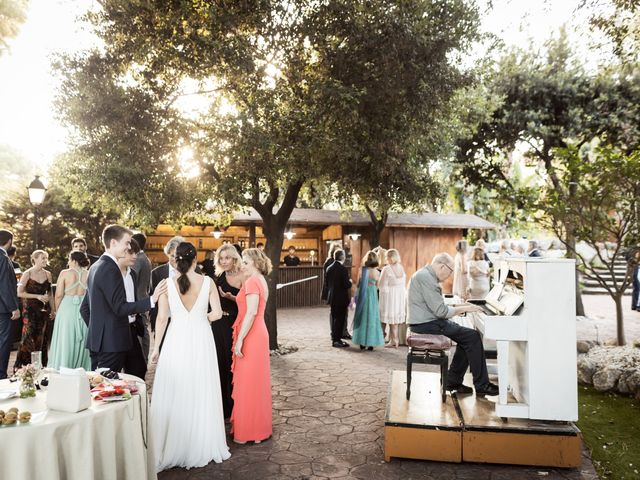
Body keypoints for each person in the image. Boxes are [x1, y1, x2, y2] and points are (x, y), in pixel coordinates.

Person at [151, 241, 230, 471]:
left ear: (175, 260)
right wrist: (202, 318)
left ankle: (174, 442)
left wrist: (156, 348)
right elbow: (216, 313)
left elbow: (161, 319)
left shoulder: (167, 283)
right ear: (195, 260)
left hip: (175, 339)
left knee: (176, 388)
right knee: (200, 387)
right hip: (200, 339)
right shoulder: (208, 282)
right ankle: (199, 442)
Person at [407, 253, 499, 397]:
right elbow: (441, 311)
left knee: (466, 337)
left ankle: (453, 381)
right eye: (450, 271)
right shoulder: (427, 278)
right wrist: (466, 308)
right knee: (472, 336)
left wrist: (462, 305)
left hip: (427, 321)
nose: (450, 275)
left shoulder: (426, 275)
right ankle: (482, 385)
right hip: (425, 324)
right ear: (442, 266)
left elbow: (438, 306)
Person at [80, 225, 166, 373]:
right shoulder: (110, 268)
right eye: (126, 243)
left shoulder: (96, 266)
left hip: (107, 340)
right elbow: (119, 308)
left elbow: (88, 307)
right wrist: (152, 299)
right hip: (111, 342)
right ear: (113, 243)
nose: (128, 247)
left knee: (111, 382)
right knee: (104, 387)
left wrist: (99, 331)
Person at [231, 248, 272, 444]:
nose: (242, 266)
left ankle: (250, 432)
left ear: (256, 264)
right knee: (256, 383)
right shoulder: (260, 280)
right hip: (258, 333)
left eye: (245, 263)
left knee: (249, 383)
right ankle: (258, 431)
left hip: (252, 335)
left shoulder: (253, 281)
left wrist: (240, 339)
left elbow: (252, 312)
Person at [213, 244, 243, 419]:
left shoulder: (243, 276)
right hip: (218, 324)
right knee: (220, 362)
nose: (224, 261)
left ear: (234, 258)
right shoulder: (219, 276)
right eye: (221, 258)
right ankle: (224, 406)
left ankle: (236, 405)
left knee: (232, 365)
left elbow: (249, 303)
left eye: (227, 258)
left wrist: (232, 298)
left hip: (234, 323)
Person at [48, 251, 92, 370]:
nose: (68, 262)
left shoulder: (65, 273)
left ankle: (64, 368)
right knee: (82, 340)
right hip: (84, 310)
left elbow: (58, 295)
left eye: (69, 259)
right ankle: (81, 369)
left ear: (73, 260)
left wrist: (57, 312)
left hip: (67, 309)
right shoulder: (88, 274)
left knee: (65, 339)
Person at [15, 250, 53, 370]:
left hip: (43, 311)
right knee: (29, 336)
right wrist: (37, 296)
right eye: (42, 258)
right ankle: (24, 367)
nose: (45, 260)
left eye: (46, 258)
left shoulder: (48, 274)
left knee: (41, 337)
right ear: (34, 259)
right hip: (29, 311)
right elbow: (19, 293)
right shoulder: (27, 274)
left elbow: (50, 294)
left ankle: (40, 366)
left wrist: (53, 310)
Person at [117, 238, 148, 380]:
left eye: (136, 252)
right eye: (131, 252)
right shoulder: (110, 273)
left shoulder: (133, 274)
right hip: (114, 330)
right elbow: (86, 308)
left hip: (132, 329)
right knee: (111, 375)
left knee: (139, 370)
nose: (135, 256)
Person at [150, 236, 185, 334]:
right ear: (167, 254)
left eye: (179, 256)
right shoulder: (156, 273)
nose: (176, 259)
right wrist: (154, 325)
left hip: (186, 322)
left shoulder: (194, 271)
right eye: (172, 256)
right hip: (164, 322)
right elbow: (153, 300)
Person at [352, 251, 384, 351]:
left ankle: (362, 342)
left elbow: (358, 284)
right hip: (373, 296)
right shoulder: (378, 272)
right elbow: (378, 286)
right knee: (372, 317)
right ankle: (371, 343)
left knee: (362, 316)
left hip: (363, 294)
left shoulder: (362, 270)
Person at [0, 230, 20, 379]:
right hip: (3, 309)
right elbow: (5, 285)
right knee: (4, 342)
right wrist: (14, 307)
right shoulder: (3, 258)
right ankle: (1, 375)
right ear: (9, 241)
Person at [378, 249, 406, 348]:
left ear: (390, 257)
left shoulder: (387, 269)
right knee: (395, 320)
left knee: (390, 319)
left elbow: (381, 285)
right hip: (399, 295)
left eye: (386, 257)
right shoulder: (401, 267)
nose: (386, 259)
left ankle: (393, 340)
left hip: (390, 296)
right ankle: (395, 340)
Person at [131, 232, 152, 362]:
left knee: (142, 332)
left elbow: (132, 280)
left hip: (138, 300)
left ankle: (142, 359)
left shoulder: (138, 259)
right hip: (144, 297)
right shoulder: (145, 258)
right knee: (144, 330)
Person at [325, 249, 351, 348]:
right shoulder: (343, 269)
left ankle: (334, 337)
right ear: (343, 257)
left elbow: (327, 284)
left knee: (334, 317)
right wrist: (350, 281)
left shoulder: (329, 268)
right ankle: (337, 340)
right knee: (340, 319)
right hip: (341, 298)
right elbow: (347, 285)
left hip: (332, 297)